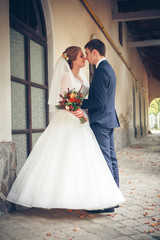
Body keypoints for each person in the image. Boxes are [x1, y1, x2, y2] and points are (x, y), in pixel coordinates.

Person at [7, 46, 125, 211]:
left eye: (85, 55)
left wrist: (81, 113)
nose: (84, 58)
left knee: (86, 161)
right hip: (71, 120)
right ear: (73, 59)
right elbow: (63, 102)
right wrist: (79, 114)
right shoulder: (65, 77)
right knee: (62, 159)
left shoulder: (83, 77)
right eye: (81, 56)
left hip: (82, 121)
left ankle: (92, 197)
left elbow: (84, 98)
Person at [82, 39, 120, 190]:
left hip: (101, 122)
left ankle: (109, 201)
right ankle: (114, 195)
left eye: (87, 53)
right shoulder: (108, 68)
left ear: (95, 52)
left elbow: (98, 101)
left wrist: (77, 103)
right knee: (111, 159)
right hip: (108, 119)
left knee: (104, 160)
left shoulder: (101, 71)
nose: (86, 57)